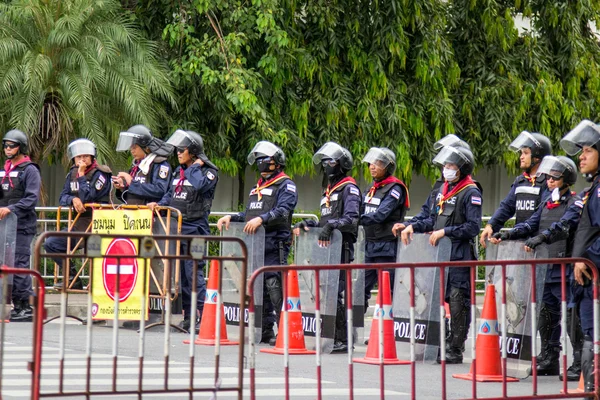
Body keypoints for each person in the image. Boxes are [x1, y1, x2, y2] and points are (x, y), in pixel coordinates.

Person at [492, 155, 583, 379]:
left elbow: (563, 227)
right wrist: (509, 233)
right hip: (546, 267)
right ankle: (549, 357)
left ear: (566, 179)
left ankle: (580, 362)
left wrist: (541, 237)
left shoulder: (574, 202)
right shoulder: (546, 202)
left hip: (566, 267)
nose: (549, 180)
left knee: (573, 317)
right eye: (548, 177)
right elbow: (532, 222)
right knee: (547, 315)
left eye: (555, 177)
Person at [401, 145, 482, 364]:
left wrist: (446, 231)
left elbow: (473, 227)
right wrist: (412, 227)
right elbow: (432, 219)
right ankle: (439, 342)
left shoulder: (470, 192)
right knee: (435, 300)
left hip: (459, 255)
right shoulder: (442, 190)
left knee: (457, 302)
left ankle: (455, 347)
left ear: (462, 168)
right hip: (439, 255)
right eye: (445, 165)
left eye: (451, 165)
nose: (446, 169)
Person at [217, 141, 297, 345]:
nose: (261, 163)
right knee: (258, 286)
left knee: (274, 284)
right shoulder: (257, 187)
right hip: (256, 243)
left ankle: (284, 330)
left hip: (275, 240)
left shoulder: (285, 184)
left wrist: (262, 219)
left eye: (265, 159)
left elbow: (283, 210)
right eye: (259, 160)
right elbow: (250, 213)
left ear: (276, 162)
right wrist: (232, 217)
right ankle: (265, 329)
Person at [148, 129, 218, 333]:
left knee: (194, 273)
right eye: (177, 149)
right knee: (183, 277)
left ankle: (202, 317)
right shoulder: (179, 172)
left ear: (194, 151)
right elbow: (170, 196)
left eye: (183, 149)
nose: (178, 152)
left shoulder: (208, 171)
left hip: (196, 230)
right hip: (179, 230)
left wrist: (195, 168)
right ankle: (188, 316)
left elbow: (200, 186)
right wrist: (158, 204)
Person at [293, 142, 360, 353]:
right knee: (325, 292)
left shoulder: (350, 188)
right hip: (326, 249)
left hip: (341, 247)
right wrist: (309, 225)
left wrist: (332, 226)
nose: (326, 165)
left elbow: (351, 219)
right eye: (324, 162)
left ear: (341, 164)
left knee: (334, 292)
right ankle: (332, 333)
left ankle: (342, 338)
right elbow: (326, 219)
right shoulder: (328, 190)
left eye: (330, 161)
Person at [551, 119, 600, 394]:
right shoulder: (593, 188)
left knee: (595, 339)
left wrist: (587, 259)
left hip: (594, 279)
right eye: (580, 151)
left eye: (588, 151)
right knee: (590, 338)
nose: (581, 156)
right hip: (586, 283)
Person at [44, 139, 112, 290]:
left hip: (98, 223)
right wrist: (73, 199)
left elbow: (89, 197)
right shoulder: (71, 174)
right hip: (78, 223)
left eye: (85, 156)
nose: (82, 160)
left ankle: (99, 287)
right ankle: (73, 278)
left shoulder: (101, 174)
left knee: (95, 257)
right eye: (78, 157)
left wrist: (81, 175)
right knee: (51, 243)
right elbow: (62, 197)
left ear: (92, 157)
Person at [480, 131, 552, 248]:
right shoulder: (520, 180)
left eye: (525, 153)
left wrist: (510, 234)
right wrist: (491, 225)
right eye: (521, 153)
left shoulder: (549, 182)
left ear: (537, 157)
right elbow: (507, 207)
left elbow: (541, 215)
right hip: (520, 245)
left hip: (539, 246)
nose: (521, 157)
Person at [359, 147, 410, 312]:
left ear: (388, 166)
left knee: (388, 291)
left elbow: (381, 215)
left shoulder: (395, 188)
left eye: (378, 163)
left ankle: (389, 334)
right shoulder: (371, 188)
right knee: (360, 290)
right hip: (370, 246)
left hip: (387, 246)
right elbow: (360, 209)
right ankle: (352, 332)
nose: (372, 166)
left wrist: (357, 219)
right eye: (371, 163)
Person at [0, 130, 41, 322]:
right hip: (5, 227)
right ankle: (12, 305)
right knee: (6, 266)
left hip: (22, 226)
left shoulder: (29, 170)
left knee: (19, 265)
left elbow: (31, 199)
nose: (8, 149)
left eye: (12, 145)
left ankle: (25, 307)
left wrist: (10, 209)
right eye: (6, 145)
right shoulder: (5, 169)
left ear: (21, 147)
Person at [113, 125, 172, 205]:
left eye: (134, 147)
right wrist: (122, 187)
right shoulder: (137, 166)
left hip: (151, 215)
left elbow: (160, 191)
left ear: (146, 147)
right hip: (133, 214)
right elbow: (131, 195)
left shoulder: (160, 164)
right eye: (131, 148)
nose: (132, 151)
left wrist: (131, 182)